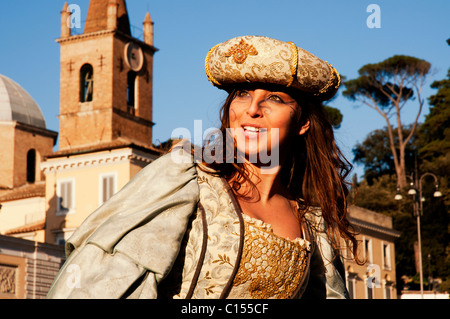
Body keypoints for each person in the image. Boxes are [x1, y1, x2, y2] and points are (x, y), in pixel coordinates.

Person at [47, 35, 361, 299]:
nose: (252, 109)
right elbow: (97, 284)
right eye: (242, 94)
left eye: (275, 98)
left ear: (303, 122)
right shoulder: (183, 181)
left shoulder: (312, 224)